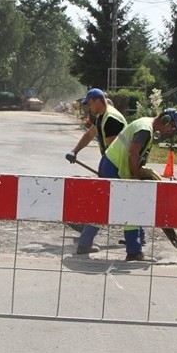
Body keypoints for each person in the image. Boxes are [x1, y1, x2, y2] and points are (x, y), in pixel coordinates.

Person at [104, 108, 177, 262]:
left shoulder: (146, 125)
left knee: (110, 205)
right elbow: (133, 152)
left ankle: (86, 243)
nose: (171, 131)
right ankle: (134, 252)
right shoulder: (145, 129)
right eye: (172, 127)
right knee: (131, 209)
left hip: (111, 164)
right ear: (165, 119)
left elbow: (136, 153)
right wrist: (136, 175)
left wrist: (139, 169)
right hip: (114, 166)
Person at [65, 88, 127, 255]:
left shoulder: (112, 119)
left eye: (89, 103)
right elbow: (90, 134)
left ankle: (86, 239)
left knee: (107, 202)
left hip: (117, 165)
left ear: (98, 100)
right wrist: (75, 151)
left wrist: (109, 170)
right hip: (112, 164)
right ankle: (86, 241)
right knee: (115, 201)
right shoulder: (101, 117)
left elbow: (116, 151)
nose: (88, 107)